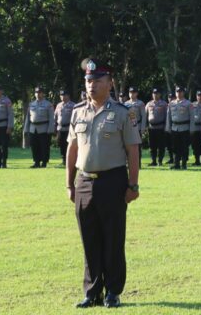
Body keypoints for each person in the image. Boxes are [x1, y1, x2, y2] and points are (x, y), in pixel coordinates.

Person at [66, 58, 141, 308]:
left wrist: (133, 185)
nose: (92, 84)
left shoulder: (121, 113)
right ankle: (92, 291)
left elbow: (133, 150)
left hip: (112, 181)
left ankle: (113, 291)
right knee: (89, 239)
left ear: (110, 83)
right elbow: (72, 150)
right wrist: (70, 184)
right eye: (88, 80)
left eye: (97, 80)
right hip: (84, 182)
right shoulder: (77, 111)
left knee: (113, 238)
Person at [24, 86, 55, 168]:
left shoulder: (48, 104)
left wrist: (50, 129)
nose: (38, 94)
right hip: (33, 128)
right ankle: (36, 162)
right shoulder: (31, 104)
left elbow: (51, 118)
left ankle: (44, 162)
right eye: (36, 92)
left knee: (44, 146)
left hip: (44, 128)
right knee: (34, 146)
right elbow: (28, 117)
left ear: (43, 94)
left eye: (39, 92)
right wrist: (26, 129)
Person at [165, 86, 192, 169]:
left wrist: (192, 128)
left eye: (180, 92)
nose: (179, 93)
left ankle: (184, 164)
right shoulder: (171, 103)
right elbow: (168, 116)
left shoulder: (188, 103)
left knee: (184, 147)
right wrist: (167, 128)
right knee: (175, 147)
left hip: (185, 128)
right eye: (177, 92)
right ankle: (176, 164)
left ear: (183, 93)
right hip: (174, 128)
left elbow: (192, 117)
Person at [146, 88, 168, 166]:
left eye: (157, 93)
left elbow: (167, 116)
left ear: (160, 94)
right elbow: (146, 115)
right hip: (151, 128)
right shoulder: (149, 104)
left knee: (161, 146)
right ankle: (153, 160)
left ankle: (160, 160)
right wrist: (145, 127)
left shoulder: (164, 104)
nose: (155, 95)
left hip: (161, 127)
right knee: (152, 146)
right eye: (154, 93)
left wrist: (166, 127)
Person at [125, 87, 146, 167]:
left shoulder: (140, 103)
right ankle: (128, 162)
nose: (131, 94)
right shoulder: (126, 104)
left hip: (137, 126)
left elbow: (143, 116)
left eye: (133, 92)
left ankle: (138, 163)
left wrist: (143, 128)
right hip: (128, 127)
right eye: (130, 92)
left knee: (137, 146)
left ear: (136, 94)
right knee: (127, 145)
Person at [54, 90, 76, 165]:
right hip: (60, 128)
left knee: (69, 145)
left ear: (68, 96)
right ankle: (63, 160)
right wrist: (55, 127)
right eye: (61, 95)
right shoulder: (58, 105)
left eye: (64, 95)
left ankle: (69, 160)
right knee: (61, 144)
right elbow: (55, 117)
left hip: (69, 128)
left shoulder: (73, 105)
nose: (62, 97)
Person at [0, 85, 14, 168]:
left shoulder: (7, 101)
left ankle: (4, 162)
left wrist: (9, 127)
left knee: (4, 145)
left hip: (4, 126)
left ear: (1, 91)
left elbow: (10, 114)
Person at [165, 92, 175, 164]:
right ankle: (171, 158)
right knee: (168, 145)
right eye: (169, 98)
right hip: (166, 128)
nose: (170, 99)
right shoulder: (165, 106)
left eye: (172, 98)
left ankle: (176, 158)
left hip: (174, 127)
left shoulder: (175, 105)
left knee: (175, 144)